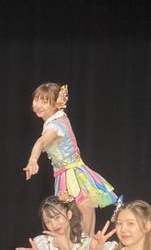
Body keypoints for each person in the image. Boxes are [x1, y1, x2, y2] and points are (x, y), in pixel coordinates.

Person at [23, 83, 117, 235]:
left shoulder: (55, 126)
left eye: (44, 101)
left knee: (80, 215)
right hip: (71, 172)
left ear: (56, 103)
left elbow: (40, 142)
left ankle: (83, 247)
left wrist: (33, 161)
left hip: (72, 175)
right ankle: (83, 245)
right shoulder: (59, 119)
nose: (38, 105)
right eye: (36, 100)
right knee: (81, 214)